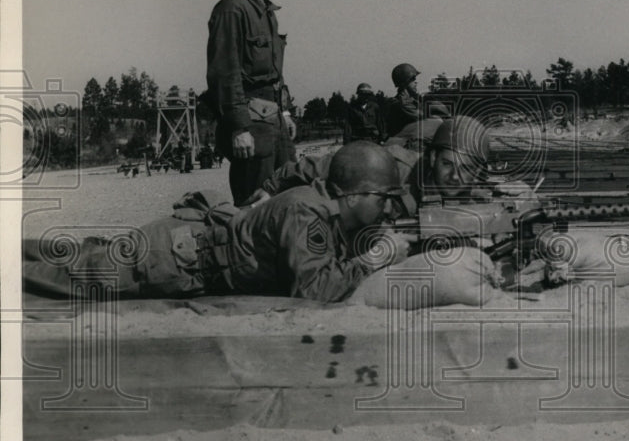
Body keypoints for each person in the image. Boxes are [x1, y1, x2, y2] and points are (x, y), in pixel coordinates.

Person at [23, 142, 411, 305]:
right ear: (354, 195)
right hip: (166, 262)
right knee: (60, 278)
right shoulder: (306, 212)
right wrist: (372, 261)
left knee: (74, 255)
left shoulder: (324, 207)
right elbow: (312, 291)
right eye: (383, 199)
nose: (388, 209)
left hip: (177, 247)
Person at [247, 115, 530, 211]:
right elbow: (321, 165)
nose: (456, 177)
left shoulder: (472, 189)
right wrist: (272, 187)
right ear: (431, 157)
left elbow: (500, 200)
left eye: (467, 170)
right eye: (447, 164)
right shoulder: (394, 165)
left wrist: (523, 197)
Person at [206, 0, 297, 206]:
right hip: (251, 123)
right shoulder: (232, 9)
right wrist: (238, 128)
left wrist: (284, 111)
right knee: (254, 203)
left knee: (288, 190)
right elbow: (225, 73)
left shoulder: (266, 10)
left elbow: (274, 74)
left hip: (273, 120)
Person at [384, 62, 422, 138]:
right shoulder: (401, 103)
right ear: (405, 82)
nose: (416, 82)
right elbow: (424, 117)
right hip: (402, 144)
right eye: (413, 79)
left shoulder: (412, 100)